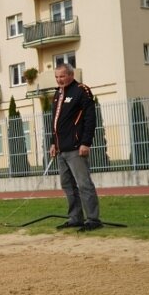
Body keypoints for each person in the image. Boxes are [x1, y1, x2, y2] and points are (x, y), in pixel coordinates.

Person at [50, 63, 102, 232]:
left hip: (76, 148)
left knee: (83, 184)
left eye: (62, 76)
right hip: (61, 150)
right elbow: (56, 122)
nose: (59, 80)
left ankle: (93, 219)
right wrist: (53, 142)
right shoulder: (57, 94)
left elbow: (90, 119)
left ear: (71, 75)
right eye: (57, 77)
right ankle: (75, 218)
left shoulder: (81, 91)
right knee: (68, 185)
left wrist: (86, 142)